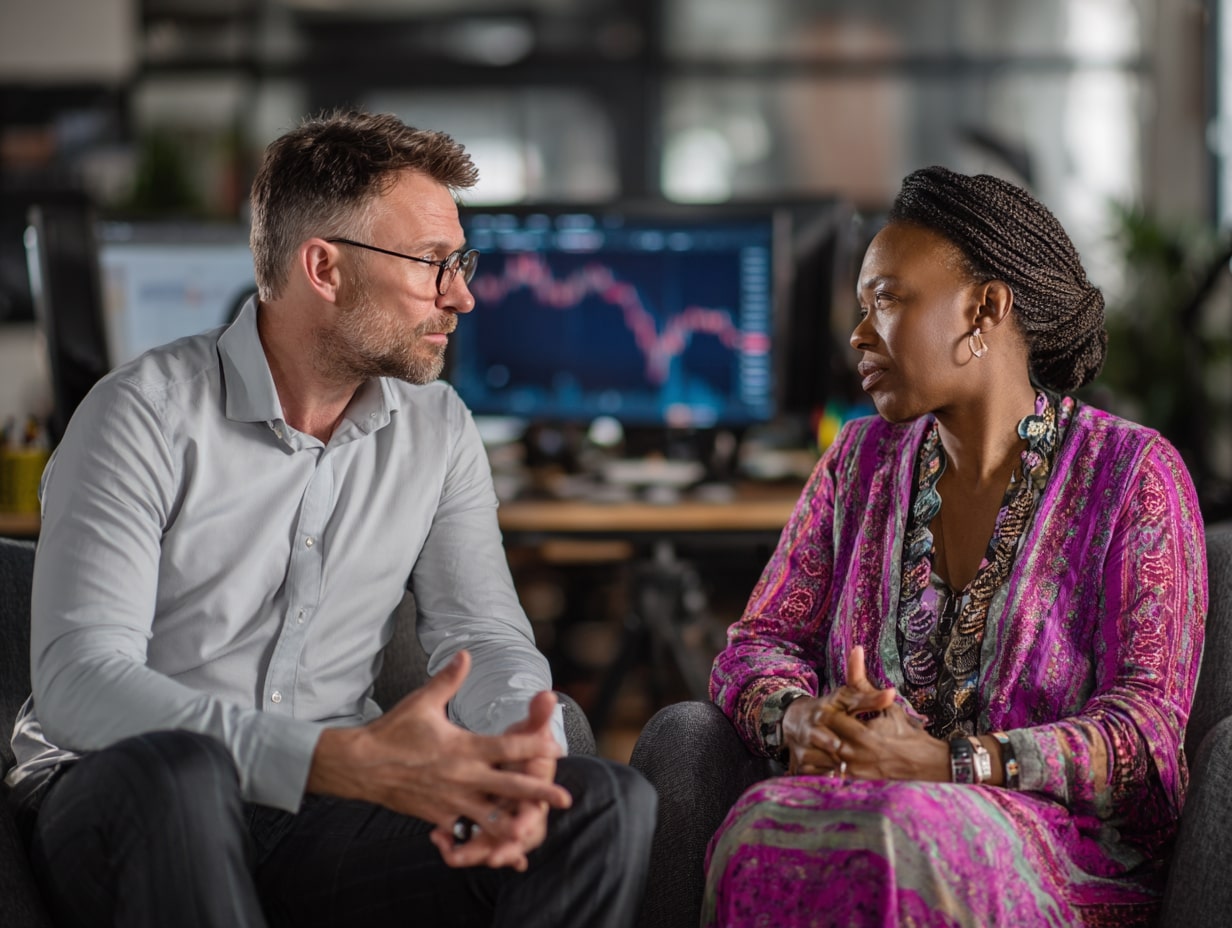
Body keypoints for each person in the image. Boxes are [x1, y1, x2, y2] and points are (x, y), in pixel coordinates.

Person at [5, 109, 655, 928]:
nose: (462, 293)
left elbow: (483, 639)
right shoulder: (139, 415)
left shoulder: (440, 428)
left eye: (461, 262)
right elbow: (80, 683)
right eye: (432, 263)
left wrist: (518, 754)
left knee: (600, 800)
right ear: (324, 267)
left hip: (321, 815)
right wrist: (330, 758)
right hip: (118, 795)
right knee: (183, 777)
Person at [636, 165, 1207, 927]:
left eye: (887, 300)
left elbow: (1145, 735)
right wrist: (804, 719)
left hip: (1069, 853)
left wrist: (948, 764)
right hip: (865, 802)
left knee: (897, 835)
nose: (858, 333)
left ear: (985, 309)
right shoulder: (858, 461)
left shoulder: (1133, 475)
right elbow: (755, 647)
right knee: (760, 823)